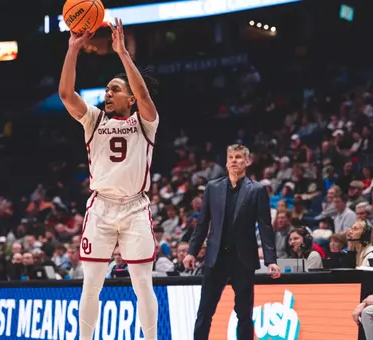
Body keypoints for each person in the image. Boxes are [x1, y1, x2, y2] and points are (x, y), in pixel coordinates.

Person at [59, 18, 160, 340]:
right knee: (91, 285)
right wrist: (73, 49)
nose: (107, 93)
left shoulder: (146, 122)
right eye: (106, 90)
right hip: (101, 208)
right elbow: (65, 93)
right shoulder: (94, 119)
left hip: (134, 209)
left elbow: (143, 92)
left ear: (130, 98)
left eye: (115, 90)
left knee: (143, 283)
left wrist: (122, 54)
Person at [183, 144, 281, 340]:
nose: (234, 160)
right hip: (215, 258)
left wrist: (271, 260)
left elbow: (265, 227)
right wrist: (191, 251)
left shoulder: (257, 190)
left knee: (244, 314)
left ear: (247, 161)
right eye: (231, 157)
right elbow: (202, 223)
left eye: (238, 157)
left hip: (242, 260)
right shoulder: (213, 187)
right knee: (205, 312)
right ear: (226, 162)